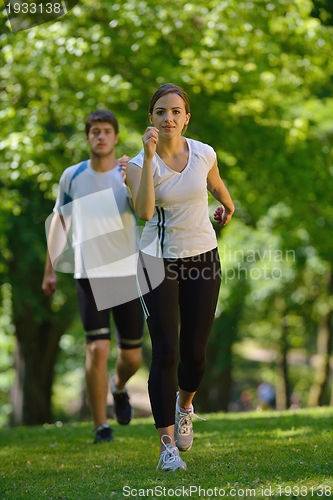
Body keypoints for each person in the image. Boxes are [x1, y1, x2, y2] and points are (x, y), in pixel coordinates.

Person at [126, 83, 234, 471]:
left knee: (195, 353)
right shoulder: (140, 164)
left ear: (186, 118)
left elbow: (214, 183)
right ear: (151, 119)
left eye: (175, 111)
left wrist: (227, 204)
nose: (168, 118)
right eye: (160, 112)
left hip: (203, 257)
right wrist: (151, 155)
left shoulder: (204, 152)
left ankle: (185, 405)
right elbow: (143, 210)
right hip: (156, 261)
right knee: (167, 350)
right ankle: (167, 447)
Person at [42, 110, 144, 444]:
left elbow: (146, 209)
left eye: (106, 132)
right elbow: (60, 221)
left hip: (127, 273)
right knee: (97, 349)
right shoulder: (72, 176)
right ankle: (101, 426)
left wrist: (133, 176)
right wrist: (50, 269)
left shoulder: (127, 173)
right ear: (88, 138)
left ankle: (119, 386)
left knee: (132, 357)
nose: (100, 137)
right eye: (94, 132)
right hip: (89, 274)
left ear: (115, 138)